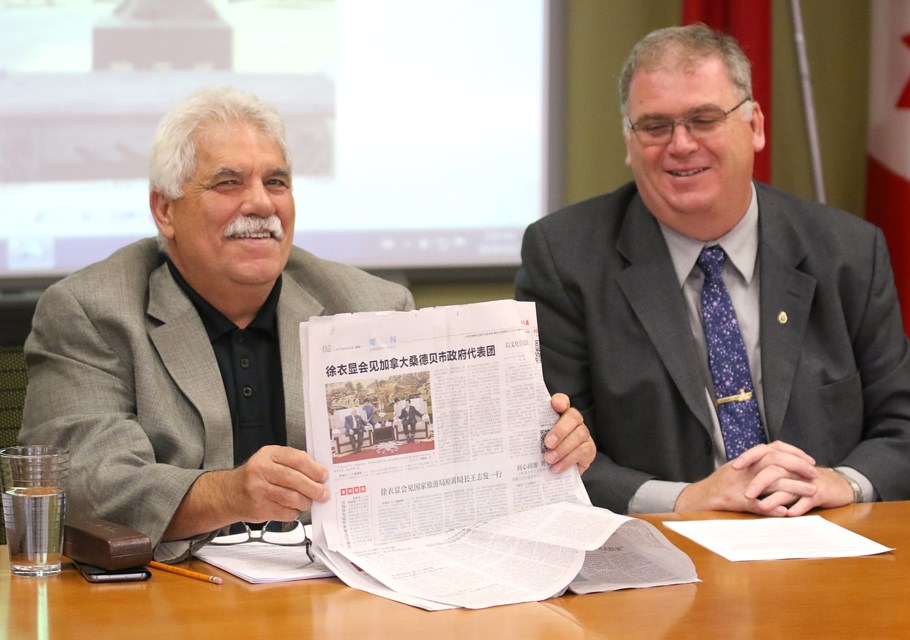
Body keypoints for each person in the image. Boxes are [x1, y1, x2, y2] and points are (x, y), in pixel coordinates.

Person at [20, 87, 596, 561]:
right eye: (228, 183)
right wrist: (229, 492)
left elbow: (448, 467)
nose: (261, 204)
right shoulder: (92, 310)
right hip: (167, 599)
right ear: (164, 211)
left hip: (338, 597)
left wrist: (544, 452)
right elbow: (85, 483)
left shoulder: (370, 306)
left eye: (276, 182)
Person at [515, 25, 910, 518]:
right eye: (655, 126)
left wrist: (837, 483)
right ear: (629, 143)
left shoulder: (847, 251)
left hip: (826, 541)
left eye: (704, 119)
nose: (680, 144)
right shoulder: (565, 258)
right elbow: (553, 452)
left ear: (756, 126)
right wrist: (683, 499)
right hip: (667, 558)